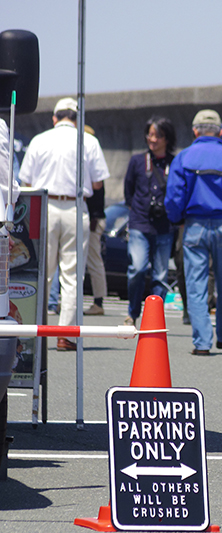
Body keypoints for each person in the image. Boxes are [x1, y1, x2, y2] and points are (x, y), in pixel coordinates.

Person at [19, 97, 110, 350]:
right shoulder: (88, 141)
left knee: (41, 273)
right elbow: (98, 184)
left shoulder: (40, 140)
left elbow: (26, 181)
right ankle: (66, 335)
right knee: (72, 274)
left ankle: (34, 331)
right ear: (76, 118)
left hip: (45, 205)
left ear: (55, 118)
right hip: (74, 206)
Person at [164, 109, 222, 355]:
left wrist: (177, 219)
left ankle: (202, 342)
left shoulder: (183, 157)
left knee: (196, 284)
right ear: (220, 132)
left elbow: (173, 197)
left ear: (195, 131)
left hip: (194, 225)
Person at [123, 116, 176, 326]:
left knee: (161, 275)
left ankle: (154, 318)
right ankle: (132, 312)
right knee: (137, 269)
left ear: (167, 138)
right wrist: (135, 210)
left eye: (157, 135)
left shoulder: (175, 162)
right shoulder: (137, 161)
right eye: (150, 134)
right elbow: (129, 192)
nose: (152, 139)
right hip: (139, 223)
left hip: (165, 226)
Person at [83, 125, 108, 316]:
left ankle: (99, 301)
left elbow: (96, 196)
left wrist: (94, 218)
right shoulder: (93, 167)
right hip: (93, 217)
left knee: (93, 260)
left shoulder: (91, 169)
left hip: (93, 218)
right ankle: (97, 301)